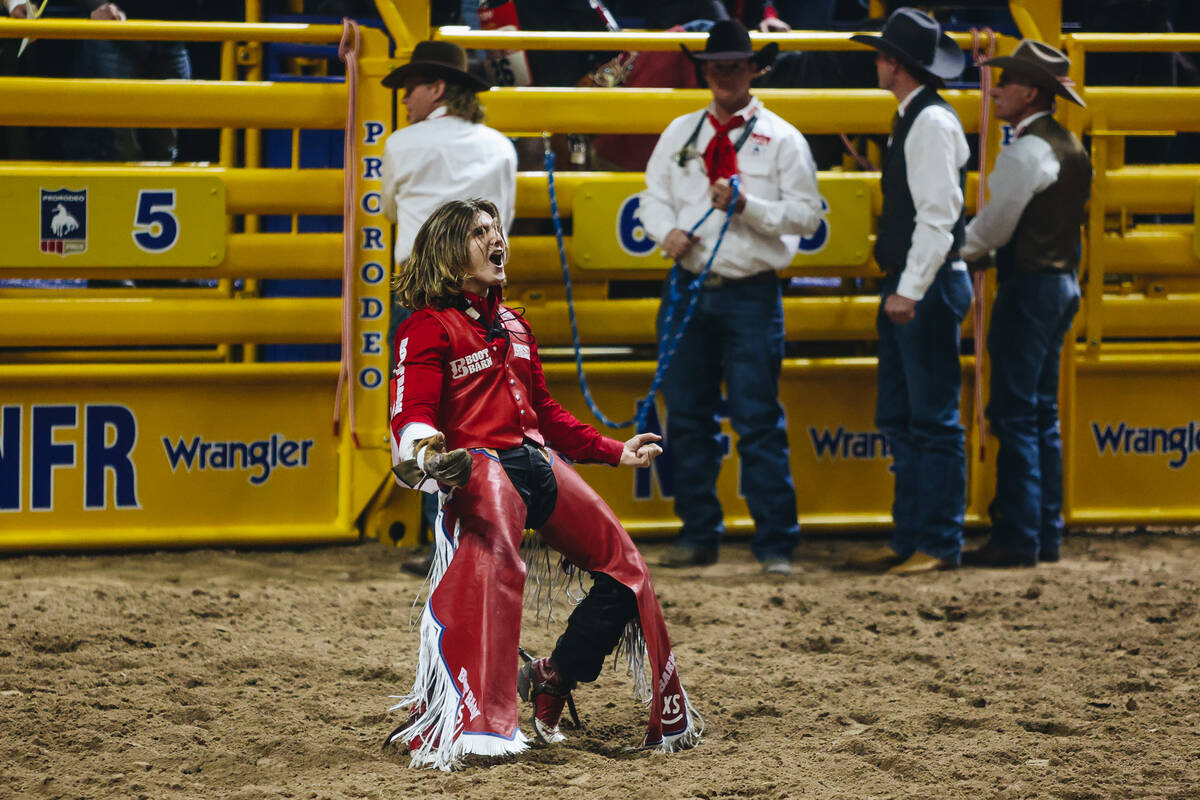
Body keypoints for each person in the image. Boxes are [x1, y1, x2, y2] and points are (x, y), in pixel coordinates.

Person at [384, 198, 702, 770]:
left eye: (496, 229)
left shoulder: (515, 324)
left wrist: (612, 450)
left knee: (625, 570)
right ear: (450, 253)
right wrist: (428, 454)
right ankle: (472, 719)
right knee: (495, 572)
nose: (496, 239)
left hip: (534, 461)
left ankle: (553, 677)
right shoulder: (427, 327)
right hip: (478, 468)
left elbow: (545, 412)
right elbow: (410, 412)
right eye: (480, 233)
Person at [638, 19, 824, 575]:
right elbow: (650, 197)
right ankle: (700, 532)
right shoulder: (681, 133)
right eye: (714, 65)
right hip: (689, 284)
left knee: (756, 417)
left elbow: (807, 215)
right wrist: (662, 231)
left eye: (733, 65)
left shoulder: (783, 138)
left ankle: (775, 541)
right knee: (689, 417)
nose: (723, 74)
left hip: (750, 291)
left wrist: (748, 207)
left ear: (753, 70)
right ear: (705, 71)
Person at [379, 39, 517, 575]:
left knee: (420, 408)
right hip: (483, 292)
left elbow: (390, 206)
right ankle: (485, 527)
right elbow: (501, 218)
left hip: (422, 294)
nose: (406, 98)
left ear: (436, 88)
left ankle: (438, 535)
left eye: (411, 88)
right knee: (485, 410)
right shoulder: (500, 147)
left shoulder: (403, 144)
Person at [845, 8, 971, 575]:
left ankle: (936, 540)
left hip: (920, 286)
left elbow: (938, 219)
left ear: (895, 63)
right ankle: (919, 536)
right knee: (911, 416)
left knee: (930, 419)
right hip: (917, 284)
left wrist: (911, 287)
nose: (876, 63)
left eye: (880, 56)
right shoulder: (921, 118)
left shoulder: (929, 123)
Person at [958, 41, 1090, 568]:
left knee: (1014, 413)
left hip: (1029, 287)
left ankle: (1017, 534)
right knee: (1041, 412)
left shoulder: (1024, 153)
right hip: (1060, 284)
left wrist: (959, 250)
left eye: (1005, 81)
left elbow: (994, 226)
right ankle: (1044, 530)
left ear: (1029, 92)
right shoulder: (1070, 149)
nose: (995, 89)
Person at [70, 1, 197, 162]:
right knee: (120, 146)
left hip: (172, 34)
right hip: (116, 31)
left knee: (165, 144)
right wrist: (98, 5)